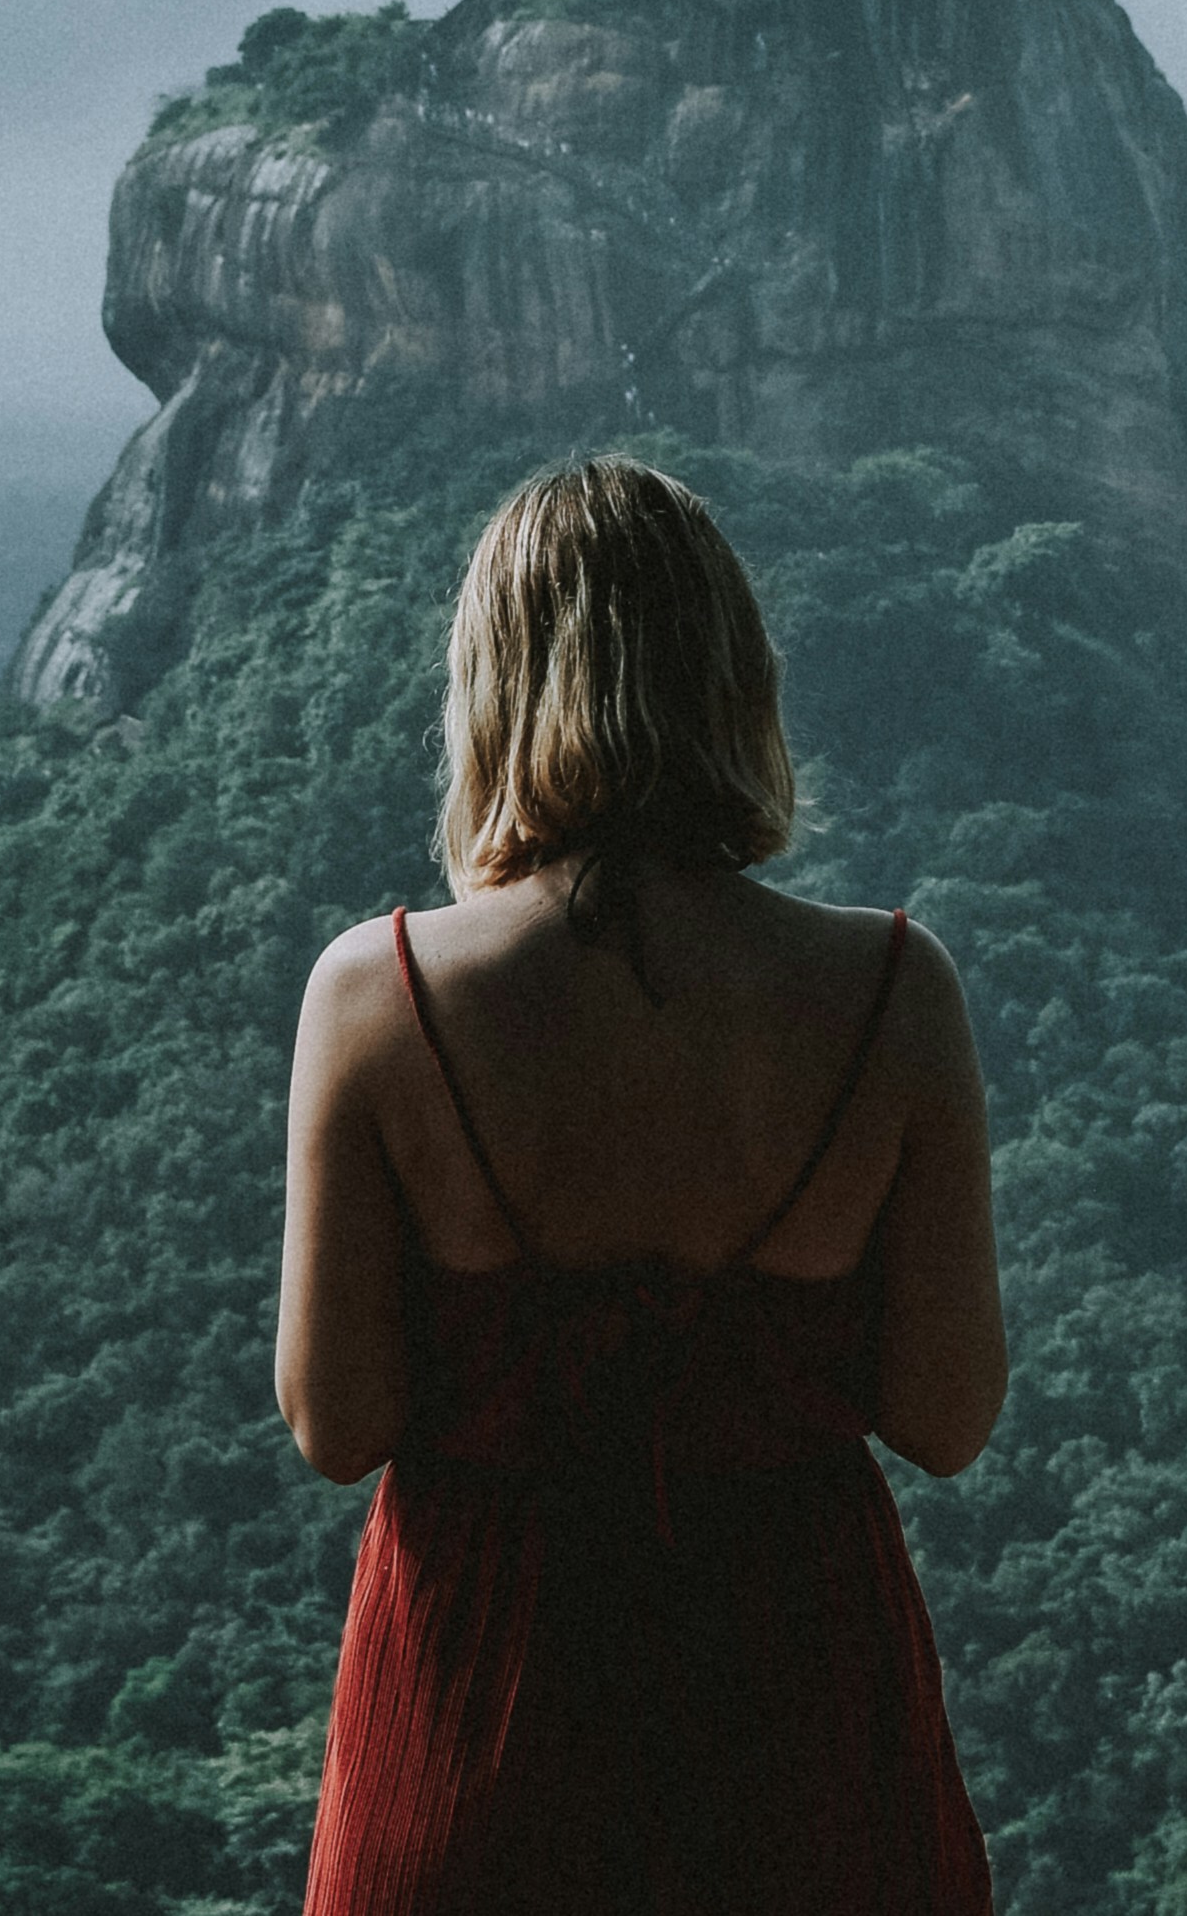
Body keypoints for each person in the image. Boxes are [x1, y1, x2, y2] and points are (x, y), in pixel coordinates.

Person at [278, 457, 1005, 1913]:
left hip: (484, 1709)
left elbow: (339, 1423)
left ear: (491, 690)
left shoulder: (381, 994)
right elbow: (944, 1416)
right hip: (796, 1712)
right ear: (736, 682)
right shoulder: (890, 993)